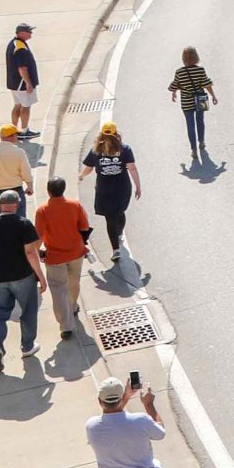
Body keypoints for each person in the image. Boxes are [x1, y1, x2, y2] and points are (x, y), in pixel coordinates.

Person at [0, 186, 43, 369]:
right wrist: (41, 277)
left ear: (0, 205)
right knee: (28, 311)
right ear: (17, 204)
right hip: (23, 277)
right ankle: (27, 346)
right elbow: (31, 253)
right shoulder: (24, 223)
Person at [34, 176, 91, 340]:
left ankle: (66, 326)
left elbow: (39, 235)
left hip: (55, 256)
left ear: (48, 190)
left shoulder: (42, 210)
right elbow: (84, 226)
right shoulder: (75, 205)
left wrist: (37, 253)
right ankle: (73, 306)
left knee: (58, 289)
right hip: (76, 252)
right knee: (74, 281)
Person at [81, 123, 142, 264]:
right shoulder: (125, 149)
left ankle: (115, 249)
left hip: (104, 190)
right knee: (119, 213)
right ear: (116, 134)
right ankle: (119, 234)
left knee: (110, 218)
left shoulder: (96, 150)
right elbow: (132, 168)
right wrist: (138, 186)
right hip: (122, 188)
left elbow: (89, 168)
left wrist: (81, 176)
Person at [167, 45, 217, 161]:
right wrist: (213, 96)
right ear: (196, 57)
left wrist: (174, 92)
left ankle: (193, 149)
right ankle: (202, 142)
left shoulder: (179, 72)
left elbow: (175, 85)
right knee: (200, 121)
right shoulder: (200, 70)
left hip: (186, 101)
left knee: (190, 125)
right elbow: (207, 84)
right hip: (201, 99)